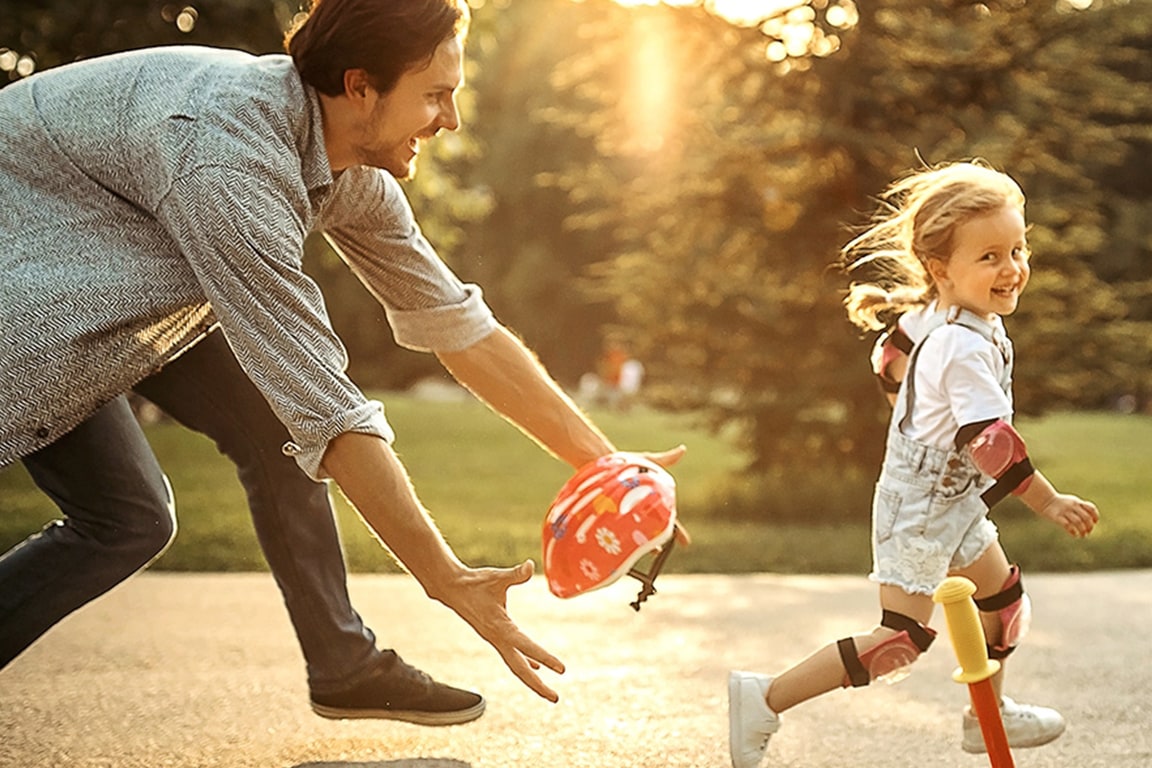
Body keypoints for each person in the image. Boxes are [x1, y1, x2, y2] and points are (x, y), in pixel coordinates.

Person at [0, 0, 685, 724]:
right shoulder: (228, 162)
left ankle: (343, 666)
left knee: (257, 442)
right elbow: (328, 409)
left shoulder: (347, 168)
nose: (449, 120)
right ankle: (345, 662)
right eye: (434, 96)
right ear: (360, 87)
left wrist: (609, 468)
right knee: (131, 516)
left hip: (116, 270)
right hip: (34, 282)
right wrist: (446, 578)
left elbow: (459, 327)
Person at [727, 161, 1100, 767]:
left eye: (1017, 249)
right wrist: (1049, 501)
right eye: (989, 258)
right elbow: (991, 443)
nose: (1011, 269)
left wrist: (910, 411)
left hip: (951, 501)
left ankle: (988, 718)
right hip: (919, 512)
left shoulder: (944, 315)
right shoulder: (961, 346)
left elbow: (888, 355)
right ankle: (765, 698)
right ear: (940, 268)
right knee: (900, 641)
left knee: (1001, 605)